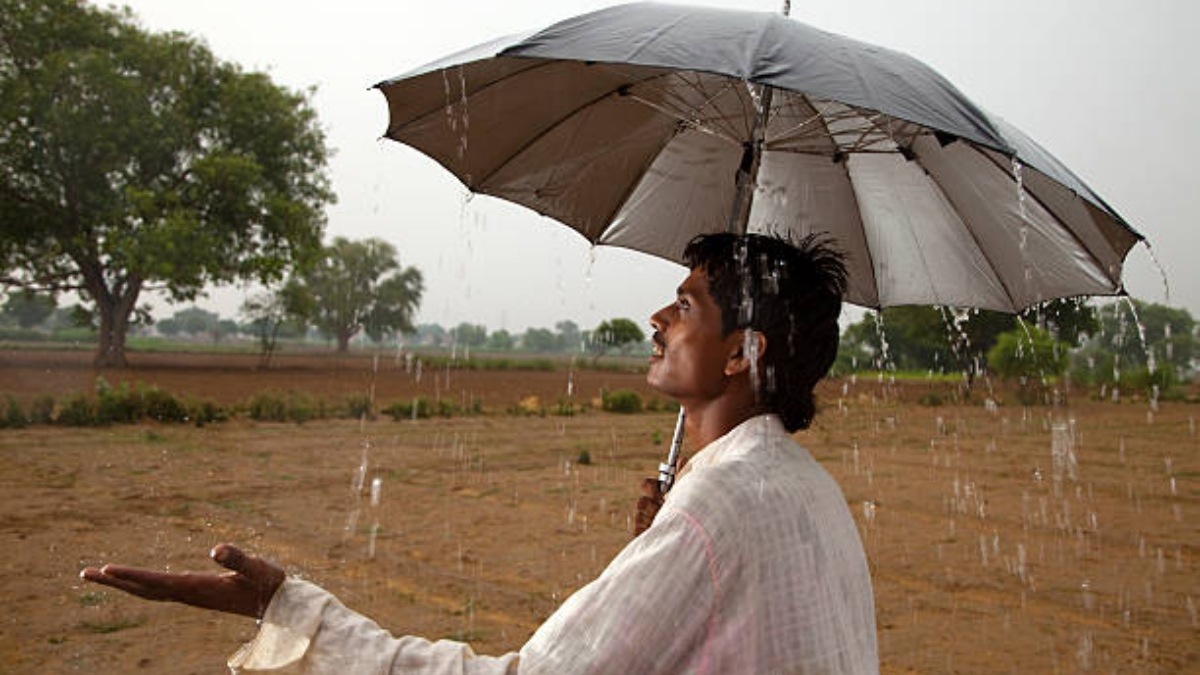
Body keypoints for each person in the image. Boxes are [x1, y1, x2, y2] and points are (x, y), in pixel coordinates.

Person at [83, 232, 879, 674]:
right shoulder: (801, 486)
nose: (657, 317)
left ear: (741, 352)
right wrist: (658, 549)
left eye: (686, 304)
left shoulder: (717, 504)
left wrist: (288, 608)